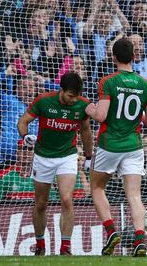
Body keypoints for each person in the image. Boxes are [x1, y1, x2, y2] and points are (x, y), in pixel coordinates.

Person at [90, 37, 147, 257]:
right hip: (134, 145)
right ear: (134, 57)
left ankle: (111, 231)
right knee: (134, 195)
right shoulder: (146, 85)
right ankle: (139, 239)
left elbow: (100, 116)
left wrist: (89, 108)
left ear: (113, 57)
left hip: (110, 144)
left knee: (98, 188)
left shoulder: (107, 81)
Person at [17, 72, 94, 256]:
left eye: (75, 96)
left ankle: (65, 248)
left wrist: (89, 157)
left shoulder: (83, 105)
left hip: (67, 156)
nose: (72, 100)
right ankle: (40, 244)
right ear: (62, 90)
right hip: (42, 156)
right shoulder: (44, 101)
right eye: (69, 96)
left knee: (67, 200)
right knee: (41, 203)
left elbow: (85, 131)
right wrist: (25, 136)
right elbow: (23, 121)